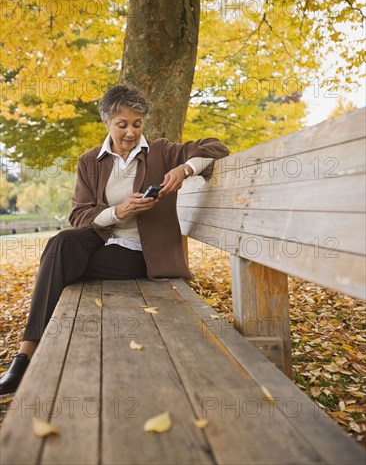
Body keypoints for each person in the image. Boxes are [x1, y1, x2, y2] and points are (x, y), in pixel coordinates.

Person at [0, 84, 229, 395]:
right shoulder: (90, 161)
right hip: (102, 245)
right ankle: (26, 353)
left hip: (141, 256)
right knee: (60, 244)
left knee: (60, 265)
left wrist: (184, 168)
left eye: (137, 124)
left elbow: (216, 147)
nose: (131, 132)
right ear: (107, 122)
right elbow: (80, 215)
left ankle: (28, 358)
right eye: (123, 124)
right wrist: (118, 211)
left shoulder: (161, 151)